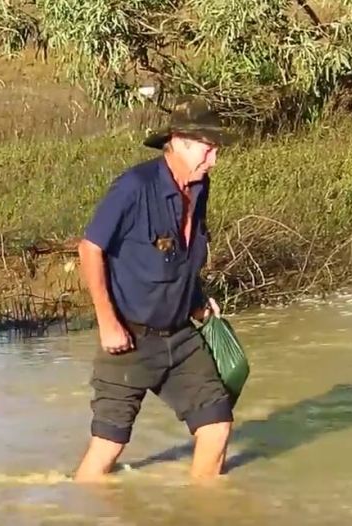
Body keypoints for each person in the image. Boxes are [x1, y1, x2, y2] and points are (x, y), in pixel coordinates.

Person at [73, 97, 237, 481]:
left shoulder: (199, 186)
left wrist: (196, 302)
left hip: (180, 338)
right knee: (108, 447)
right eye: (208, 149)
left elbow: (183, 251)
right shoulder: (134, 186)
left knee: (217, 426)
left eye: (215, 150)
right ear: (179, 142)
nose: (213, 159)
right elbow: (90, 248)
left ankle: (202, 512)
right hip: (129, 339)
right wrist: (107, 322)